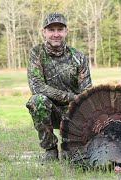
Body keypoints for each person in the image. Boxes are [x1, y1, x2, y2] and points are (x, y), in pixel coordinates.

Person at [26, 12, 92, 162]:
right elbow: (37, 86)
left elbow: (87, 91)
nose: (56, 34)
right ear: (44, 32)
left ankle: (73, 143)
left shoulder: (78, 56)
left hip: (75, 112)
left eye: (60, 29)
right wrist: (70, 97)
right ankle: (50, 150)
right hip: (52, 111)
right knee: (37, 100)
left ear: (66, 31)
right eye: (51, 30)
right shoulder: (36, 53)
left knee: (75, 159)